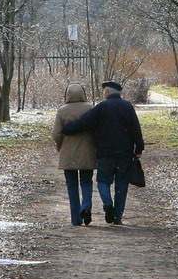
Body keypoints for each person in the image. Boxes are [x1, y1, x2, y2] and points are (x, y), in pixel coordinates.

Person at [62, 80, 144, 225]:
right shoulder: (128, 107)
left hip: (105, 153)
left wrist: (68, 129)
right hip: (125, 153)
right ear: (119, 93)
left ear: (106, 92)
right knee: (121, 185)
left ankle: (107, 204)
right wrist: (139, 148)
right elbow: (135, 128)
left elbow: (84, 122)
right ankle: (117, 217)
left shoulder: (101, 107)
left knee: (103, 182)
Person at [52, 83, 96, 226]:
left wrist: (60, 145)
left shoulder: (62, 111)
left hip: (68, 154)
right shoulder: (90, 108)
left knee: (72, 186)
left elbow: (56, 133)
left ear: (67, 94)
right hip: (87, 152)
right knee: (86, 182)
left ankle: (75, 220)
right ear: (83, 93)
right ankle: (86, 206)